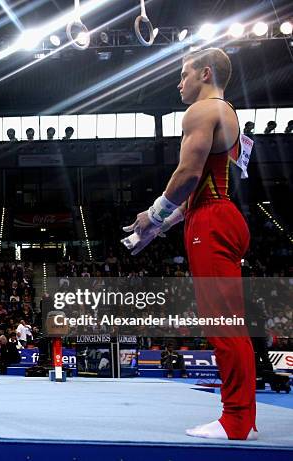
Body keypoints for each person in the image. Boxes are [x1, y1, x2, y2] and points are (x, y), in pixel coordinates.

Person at [122, 48, 256, 440]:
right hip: (219, 213)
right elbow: (204, 185)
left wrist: (154, 213)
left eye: (184, 74)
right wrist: (158, 228)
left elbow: (187, 174)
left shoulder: (200, 111)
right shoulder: (227, 112)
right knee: (230, 323)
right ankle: (243, 415)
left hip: (212, 221)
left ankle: (235, 421)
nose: (179, 82)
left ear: (206, 73)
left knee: (223, 325)